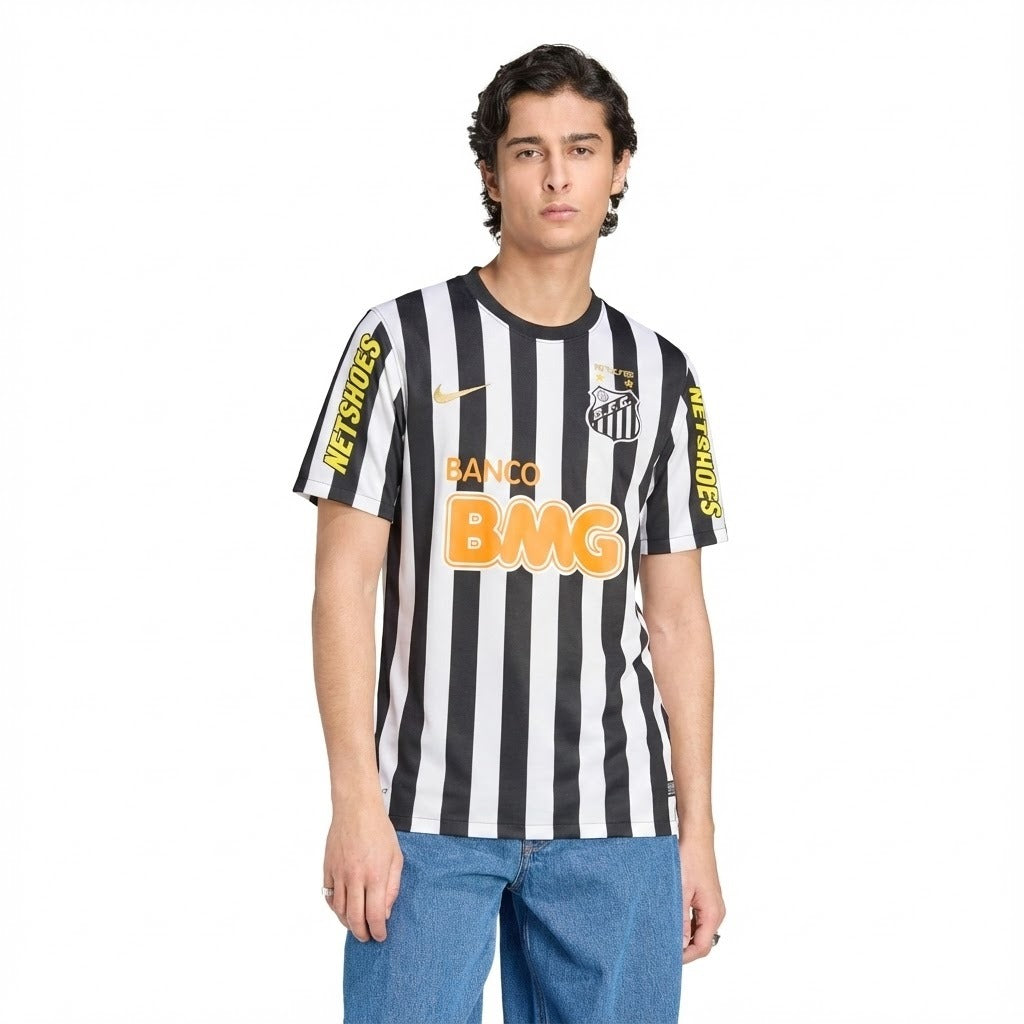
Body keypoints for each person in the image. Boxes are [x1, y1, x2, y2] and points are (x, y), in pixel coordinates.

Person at [292, 42, 728, 1024]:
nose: (557, 175)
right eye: (528, 151)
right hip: (425, 818)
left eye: (582, 148)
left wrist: (694, 830)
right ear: (492, 174)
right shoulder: (399, 341)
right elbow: (342, 587)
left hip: (618, 823)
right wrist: (354, 800)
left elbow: (677, 620)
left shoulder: (660, 373)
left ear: (620, 166)